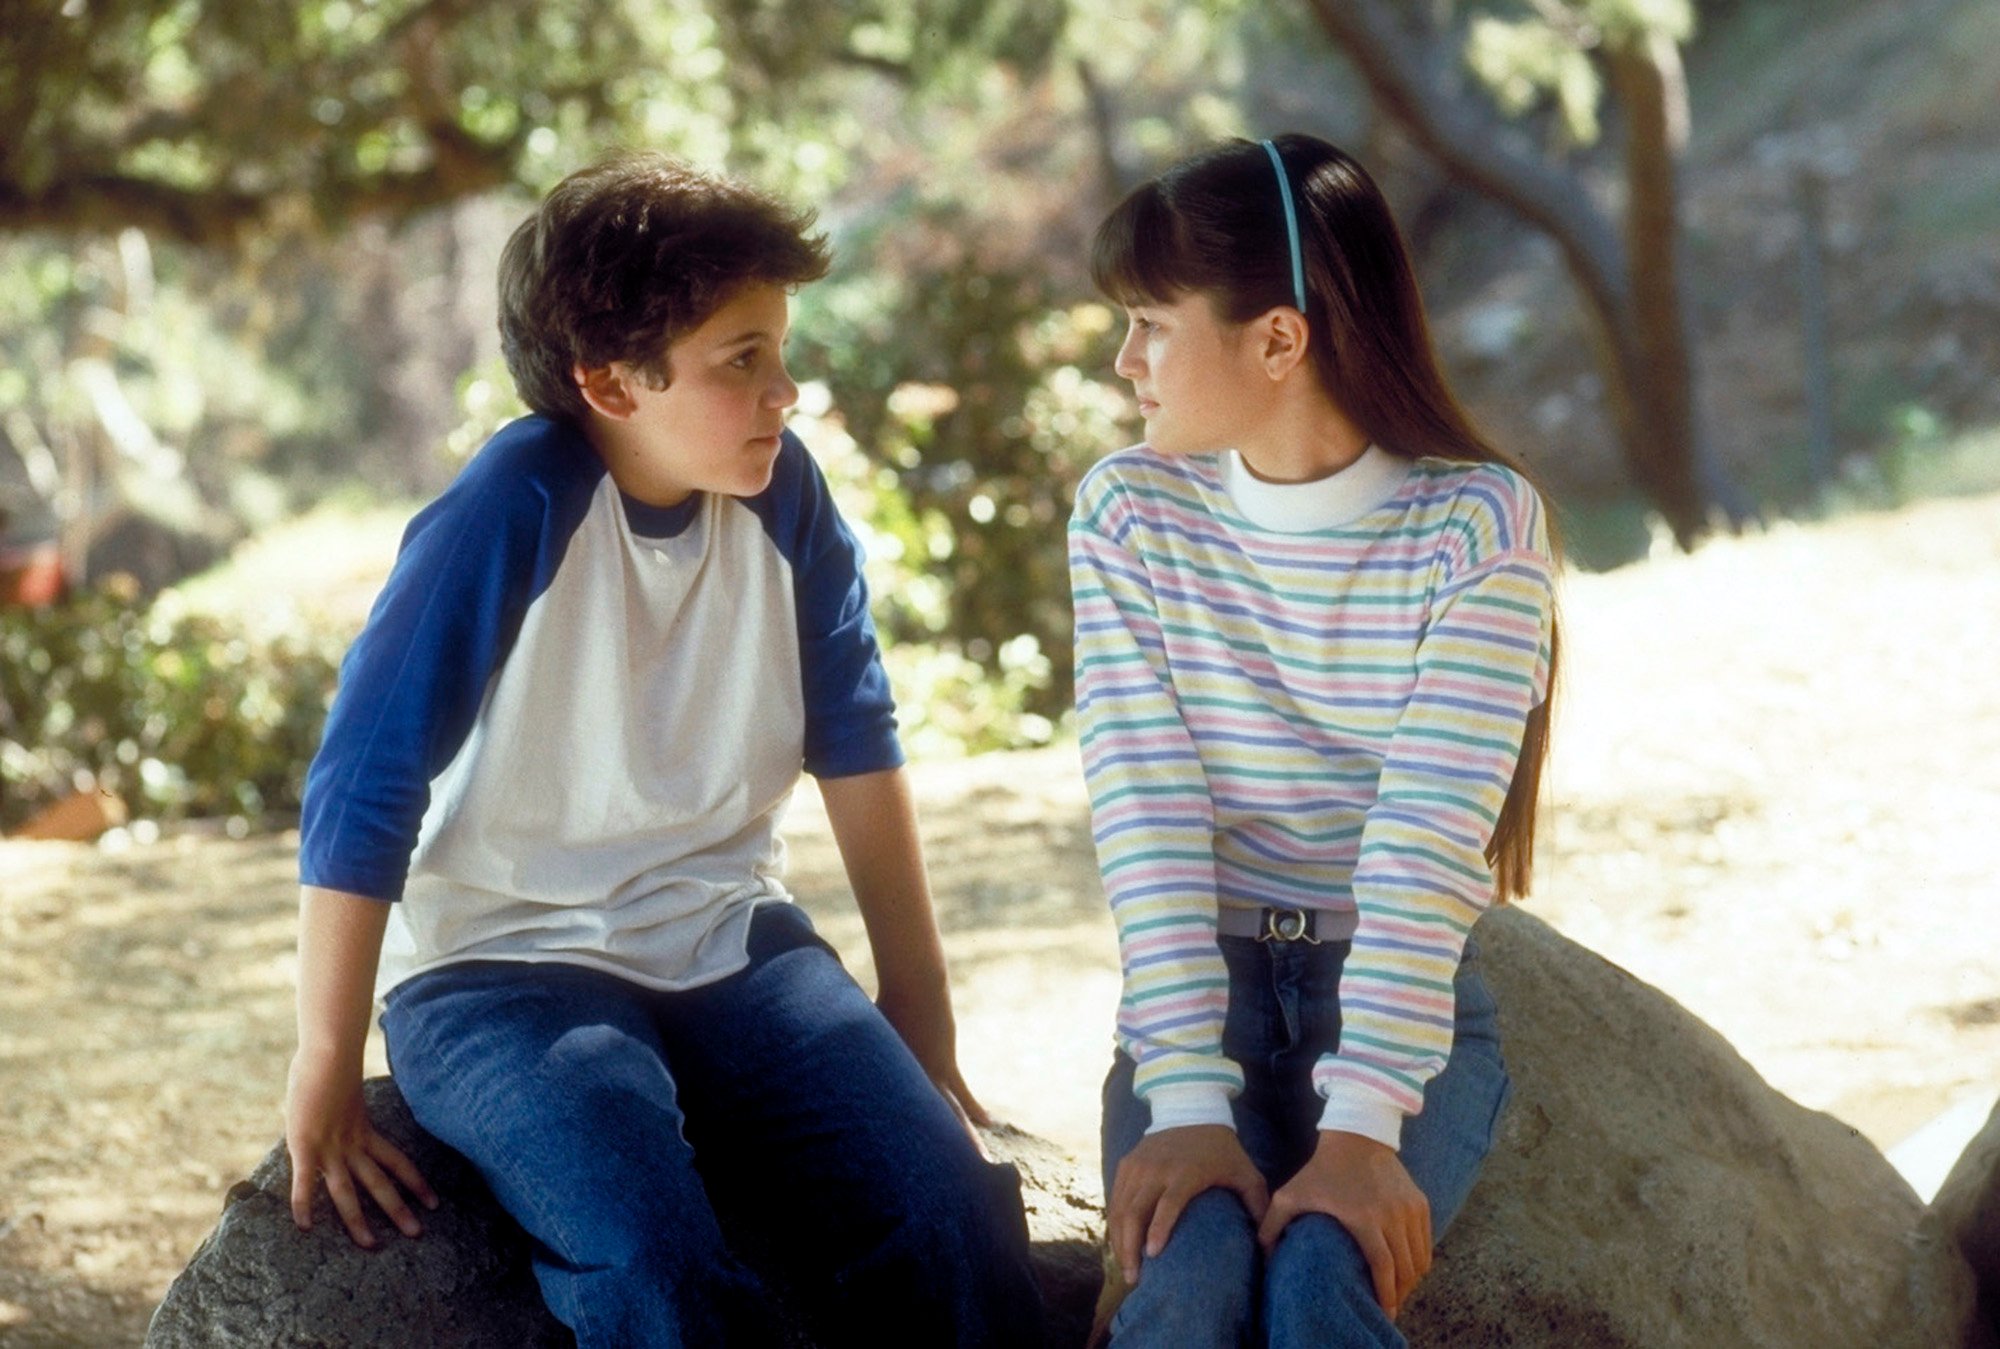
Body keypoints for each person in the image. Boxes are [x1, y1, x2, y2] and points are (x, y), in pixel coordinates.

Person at [282, 151, 1044, 1348]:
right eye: (742, 361)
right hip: (498, 970)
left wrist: (918, 1004)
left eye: (778, 351)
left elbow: (857, 738)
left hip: (730, 938)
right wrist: (322, 1063)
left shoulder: (785, 495)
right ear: (608, 380)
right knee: (655, 1259)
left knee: (956, 1217)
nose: (784, 391)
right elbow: (363, 780)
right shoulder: (511, 506)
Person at [1070, 133, 1560, 1347]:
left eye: (1148, 322)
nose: (1122, 359)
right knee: (1186, 1286)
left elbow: (1424, 839)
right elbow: (1146, 811)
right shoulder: (1131, 512)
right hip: (1201, 989)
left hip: (1387, 993)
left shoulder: (1475, 525)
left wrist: (1361, 1132)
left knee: (1316, 1283)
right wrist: (1182, 1095)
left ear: (1278, 338)